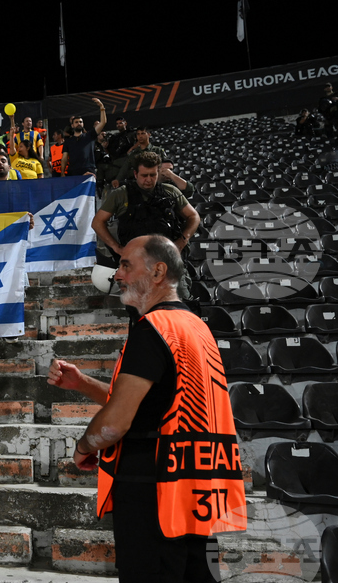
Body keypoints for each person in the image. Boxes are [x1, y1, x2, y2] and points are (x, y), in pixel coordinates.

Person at [47, 235, 245, 582]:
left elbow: (117, 423)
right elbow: (153, 404)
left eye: (126, 264)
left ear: (157, 271)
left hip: (153, 492)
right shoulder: (195, 326)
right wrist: (83, 384)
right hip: (195, 490)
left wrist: (83, 446)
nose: (117, 275)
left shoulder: (151, 329)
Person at [91, 151, 200, 300]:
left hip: (168, 263)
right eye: (144, 175)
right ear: (135, 174)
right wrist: (117, 248)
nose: (149, 179)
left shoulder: (169, 192)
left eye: (153, 175)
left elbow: (193, 216)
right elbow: (97, 222)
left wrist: (182, 240)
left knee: (180, 307)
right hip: (137, 266)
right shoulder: (121, 194)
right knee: (141, 314)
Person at [60, 98, 106, 177]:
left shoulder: (90, 135)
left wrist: (102, 107)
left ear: (83, 124)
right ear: (72, 125)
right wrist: (62, 172)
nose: (79, 123)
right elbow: (64, 158)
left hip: (89, 170)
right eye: (76, 122)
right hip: (73, 171)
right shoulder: (68, 141)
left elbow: (103, 122)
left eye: (80, 122)